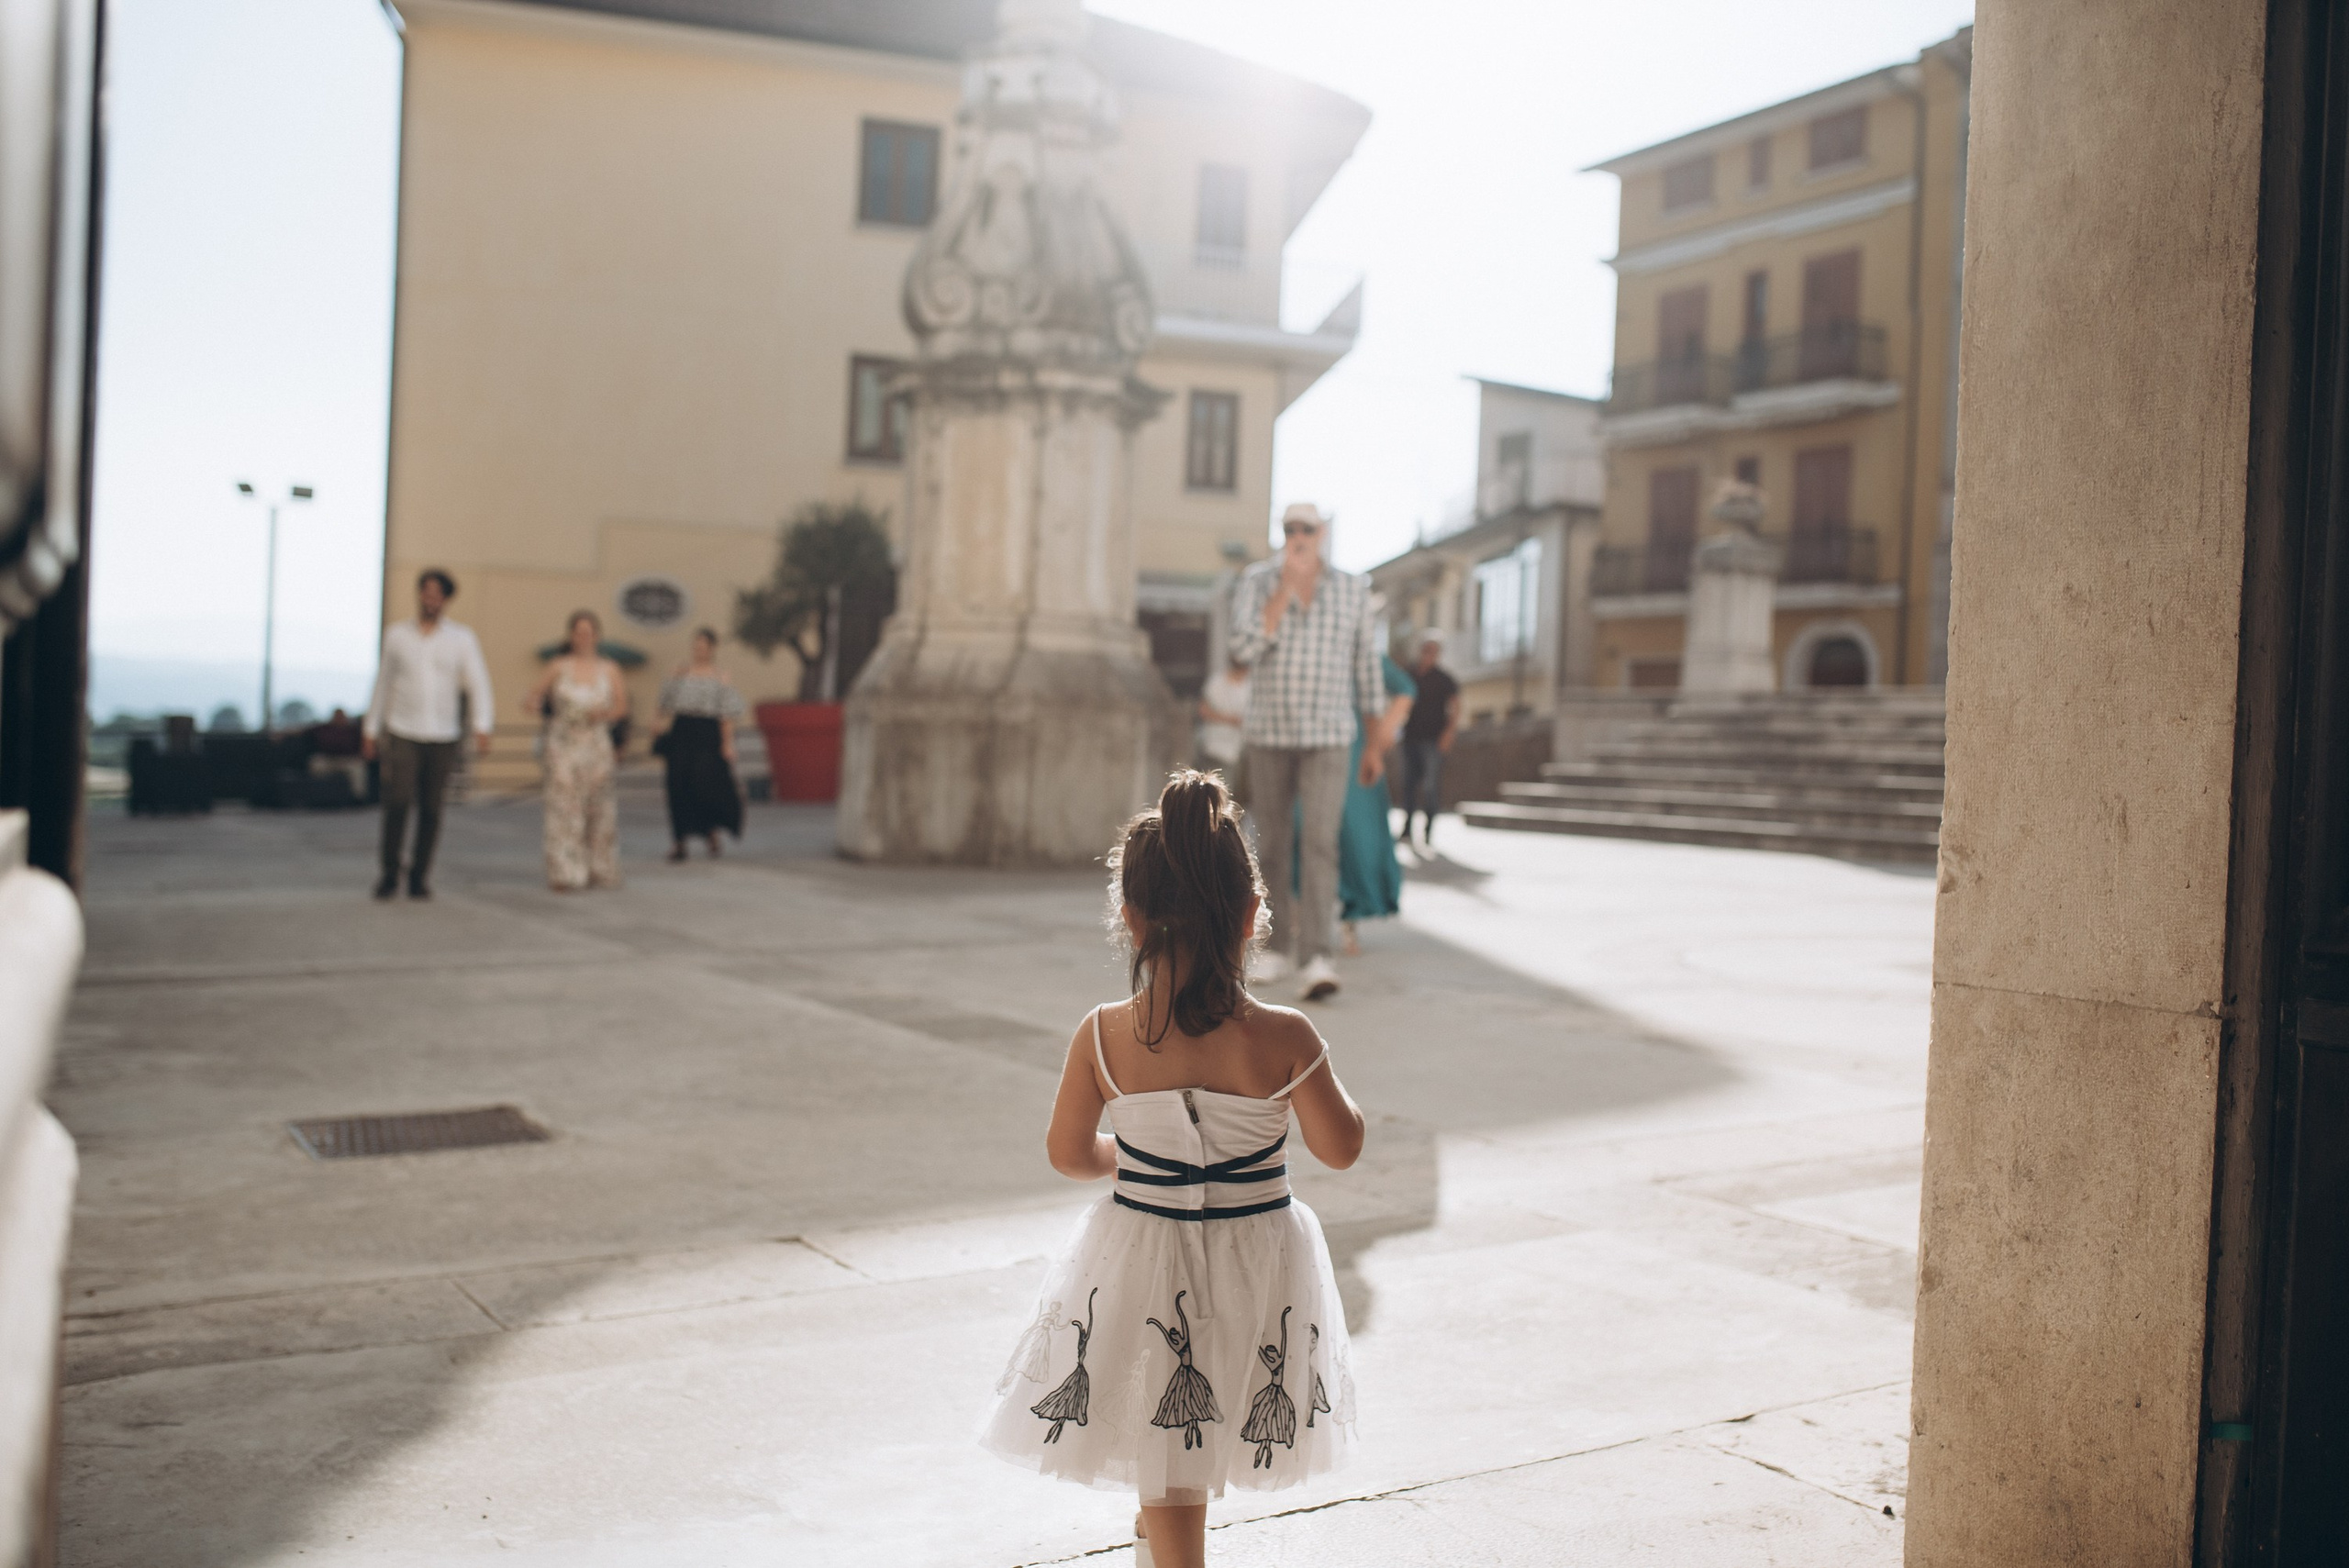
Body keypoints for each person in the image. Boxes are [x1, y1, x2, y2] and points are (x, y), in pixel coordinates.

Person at [981, 772, 1364, 1568]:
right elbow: (1341, 1145)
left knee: (1169, 1421)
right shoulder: (1285, 1036)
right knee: (1194, 1425)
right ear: (1254, 915)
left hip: (1144, 1247)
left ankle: (1165, 1542)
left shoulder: (1101, 1034)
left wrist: (1134, 1156)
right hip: (1257, 1254)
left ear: (1129, 917)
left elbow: (1067, 1151)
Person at [1228, 502, 1383, 1002]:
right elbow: (1243, 650)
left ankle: (1318, 954)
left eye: (1307, 529)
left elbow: (1366, 665)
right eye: (1290, 528)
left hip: (1330, 734)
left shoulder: (1352, 588)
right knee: (1271, 842)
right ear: (1281, 532)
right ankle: (1273, 948)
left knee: (1319, 842)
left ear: (1322, 534)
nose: (1298, 537)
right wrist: (1281, 594)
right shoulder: (1256, 581)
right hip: (1269, 732)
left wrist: (1376, 741)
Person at [362, 569, 493, 900]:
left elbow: (477, 682)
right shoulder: (397, 636)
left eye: (438, 594)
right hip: (404, 730)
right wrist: (370, 728)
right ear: (420, 595)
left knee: (433, 809)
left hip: (443, 735)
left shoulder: (461, 638)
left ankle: (420, 876)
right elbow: (383, 682)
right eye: (427, 592)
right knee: (399, 801)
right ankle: (390, 873)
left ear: (446, 600)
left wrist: (482, 725)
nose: (431, 599)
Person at [1301, 650, 1416, 957]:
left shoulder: (1367, 659)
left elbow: (1406, 689)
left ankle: (1349, 922)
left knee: (1354, 839)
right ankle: (1301, 918)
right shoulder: (1308, 651)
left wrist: (1380, 738)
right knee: (1304, 829)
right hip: (1309, 750)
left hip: (1354, 756)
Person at [526, 610, 628, 892]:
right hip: (563, 743)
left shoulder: (610, 669)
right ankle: (566, 871)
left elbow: (622, 707)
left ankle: (600, 867)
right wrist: (533, 703)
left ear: (597, 636)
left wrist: (603, 713)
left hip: (595, 743)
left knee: (599, 807)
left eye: (588, 632)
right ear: (571, 636)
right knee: (564, 806)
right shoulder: (558, 666)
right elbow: (534, 695)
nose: (583, 638)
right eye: (578, 632)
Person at [654, 628, 746, 862]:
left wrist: (727, 744)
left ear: (712, 649)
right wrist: (656, 723)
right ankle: (679, 841)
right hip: (682, 730)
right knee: (678, 785)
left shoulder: (719, 677)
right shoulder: (681, 673)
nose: (699, 650)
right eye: (696, 646)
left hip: (707, 733)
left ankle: (710, 831)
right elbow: (663, 703)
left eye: (704, 646)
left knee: (707, 785)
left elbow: (725, 714)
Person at [1397, 629, 1461, 851]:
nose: (1428, 654)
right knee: (1408, 785)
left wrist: (1448, 733)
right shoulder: (1410, 674)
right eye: (1426, 650)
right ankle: (1407, 829)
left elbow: (1456, 706)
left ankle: (1428, 831)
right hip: (1410, 738)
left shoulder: (1444, 679)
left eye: (1433, 651)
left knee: (1431, 787)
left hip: (1433, 741)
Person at [1196, 661, 1248, 780]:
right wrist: (1230, 720)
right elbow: (1203, 710)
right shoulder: (1217, 683)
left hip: (1238, 748)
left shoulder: (1249, 685)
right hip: (1214, 746)